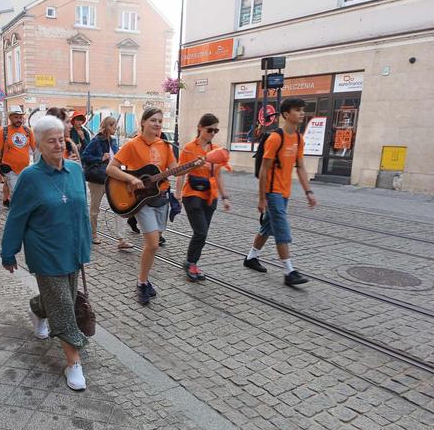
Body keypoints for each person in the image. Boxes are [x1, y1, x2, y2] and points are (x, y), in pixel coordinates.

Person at [1, 115, 91, 391]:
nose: (57, 145)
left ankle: (37, 308)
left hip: (72, 249)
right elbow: (16, 217)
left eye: (61, 139)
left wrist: (86, 244)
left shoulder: (76, 171)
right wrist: (9, 252)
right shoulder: (30, 177)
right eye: (50, 140)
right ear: (37, 144)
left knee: (60, 297)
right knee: (64, 306)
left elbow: (82, 211)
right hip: (45, 250)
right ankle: (73, 361)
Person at [107, 108, 195, 305]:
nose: (157, 124)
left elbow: (175, 171)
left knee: (152, 246)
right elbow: (110, 168)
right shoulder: (132, 145)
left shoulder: (164, 145)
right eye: (153, 120)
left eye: (160, 121)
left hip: (159, 198)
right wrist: (131, 178)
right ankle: (141, 282)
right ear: (143, 122)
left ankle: (144, 280)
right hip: (142, 201)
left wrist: (192, 166)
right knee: (153, 243)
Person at [243, 98, 317, 286]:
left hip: (285, 192)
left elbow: (300, 167)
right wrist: (261, 198)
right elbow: (264, 170)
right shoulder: (276, 138)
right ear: (286, 114)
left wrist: (308, 191)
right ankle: (289, 271)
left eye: (302, 110)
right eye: (297, 110)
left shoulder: (299, 139)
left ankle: (251, 258)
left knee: (268, 226)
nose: (301, 113)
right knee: (281, 228)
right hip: (272, 191)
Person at [174, 113, 231, 282]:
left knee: (203, 234)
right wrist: (178, 194)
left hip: (210, 196)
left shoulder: (216, 150)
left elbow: (218, 175)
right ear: (200, 128)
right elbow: (180, 172)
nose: (213, 133)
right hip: (192, 194)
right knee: (201, 231)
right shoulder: (189, 148)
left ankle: (192, 262)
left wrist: (225, 197)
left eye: (216, 130)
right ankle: (190, 263)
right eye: (210, 129)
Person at [82, 116, 133, 249]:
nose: (115, 128)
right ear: (108, 126)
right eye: (114, 126)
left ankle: (121, 239)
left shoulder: (114, 141)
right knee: (95, 209)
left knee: (120, 206)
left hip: (112, 179)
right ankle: (93, 234)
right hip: (98, 179)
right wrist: (100, 157)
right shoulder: (96, 140)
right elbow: (85, 157)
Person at [0, 106, 36, 204]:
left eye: (20, 117)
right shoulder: (3, 132)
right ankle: (19, 214)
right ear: (10, 118)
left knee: (23, 193)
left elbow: (35, 150)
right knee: (17, 193)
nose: (19, 120)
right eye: (16, 117)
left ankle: (18, 212)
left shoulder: (28, 131)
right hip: (10, 169)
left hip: (25, 169)